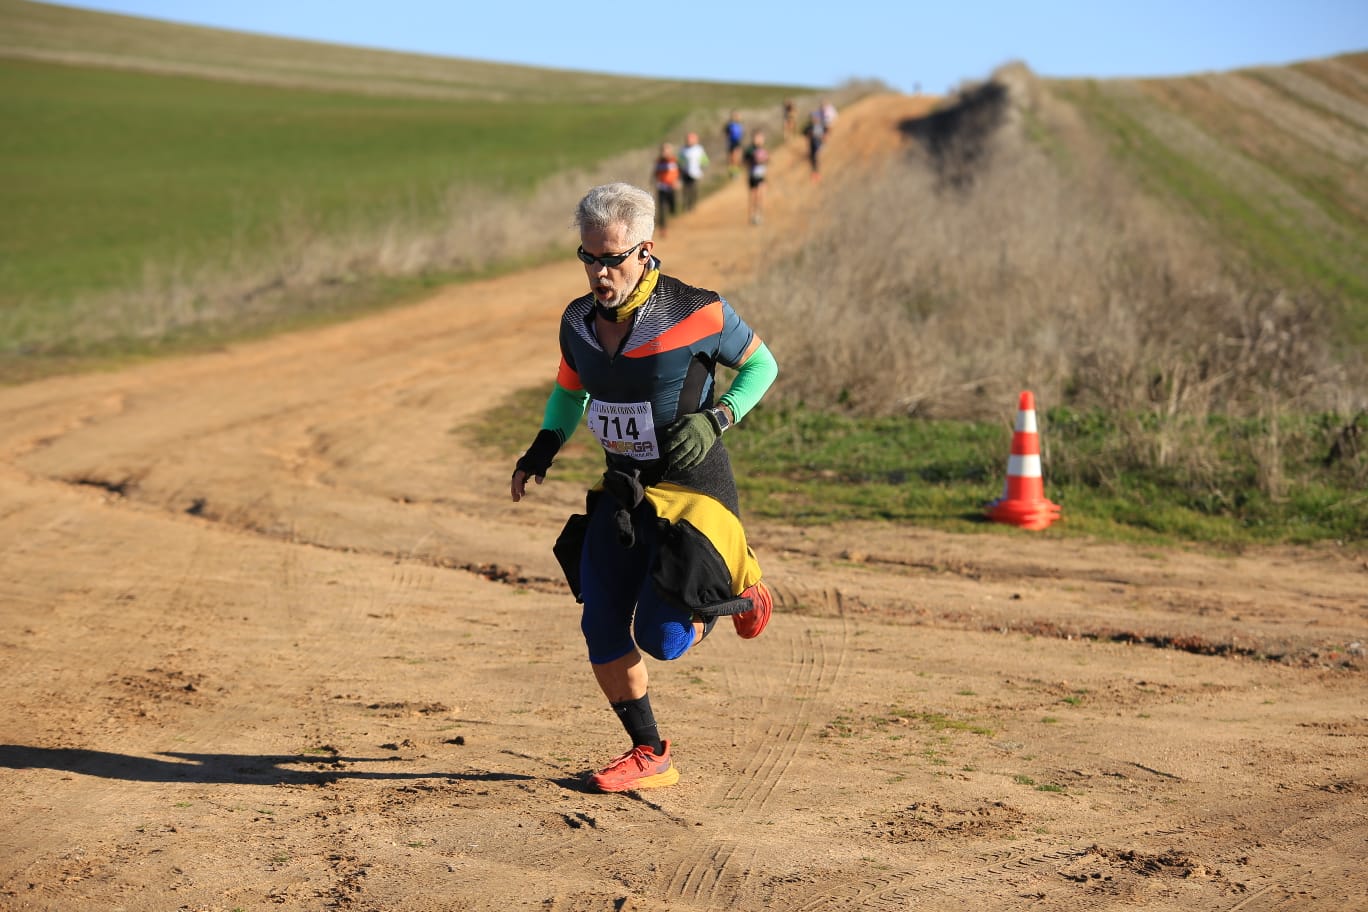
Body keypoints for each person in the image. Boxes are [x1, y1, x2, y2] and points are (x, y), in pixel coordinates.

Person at [510, 182, 779, 793]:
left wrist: (718, 417)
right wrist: (544, 446)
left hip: (694, 488)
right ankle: (649, 751)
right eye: (588, 258)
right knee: (600, 624)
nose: (600, 273)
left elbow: (763, 365)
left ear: (645, 250)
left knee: (660, 639)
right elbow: (570, 389)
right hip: (624, 489)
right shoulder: (576, 322)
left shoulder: (697, 310)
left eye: (612, 258)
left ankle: (739, 589)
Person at [651, 142, 680, 236]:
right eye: (663, 150)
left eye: (667, 150)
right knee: (662, 208)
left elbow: (680, 172)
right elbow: (655, 173)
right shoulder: (659, 162)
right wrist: (654, 181)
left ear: (670, 151)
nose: (665, 152)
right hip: (662, 187)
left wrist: (677, 182)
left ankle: (675, 216)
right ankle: (663, 228)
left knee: (672, 206)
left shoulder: (674, 160)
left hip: (672, 187)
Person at [742, 130, 769, 225]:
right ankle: (752, 215)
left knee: (760, 196)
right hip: (752, 176)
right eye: (758, 138)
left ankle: (759, 215)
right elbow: (744, 161)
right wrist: (753, 161)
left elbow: (767, 160)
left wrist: (764, 160)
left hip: (761, 176)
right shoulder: (750, 150)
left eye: (761, 138)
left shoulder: (763, 149)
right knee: (753, 197)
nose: (759, 140)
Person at [678, 132, 709, 212]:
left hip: (696, 173)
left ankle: (692, 205)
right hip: (685, 173)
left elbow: (705, 160)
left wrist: (702, 167)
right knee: (686, 190)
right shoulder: (683, 150)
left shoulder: (699, 149)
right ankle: (686, 206)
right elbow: (679, 161)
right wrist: (681, 169)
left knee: (693, 190)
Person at [803, 110, 826, 181]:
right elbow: (806, 135)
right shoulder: (810, 127)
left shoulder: (819, 126)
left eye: (814, 118)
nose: (813, 119)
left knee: (815, 158)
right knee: (812, 158)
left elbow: (822, 136)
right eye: (812, 118)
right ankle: (815, 172)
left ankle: (816, 173)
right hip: (812, 144)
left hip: (817, 144)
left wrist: (821, 143)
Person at [723, 110, 745, 178]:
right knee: (732, 158)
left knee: (738, 158)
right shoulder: (729, 125)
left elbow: (741, 134)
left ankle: (736, 171)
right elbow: (726, 134)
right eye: (735, 115)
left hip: (738, 142)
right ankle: (733, 172)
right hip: (732, 143)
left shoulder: (739, 125)